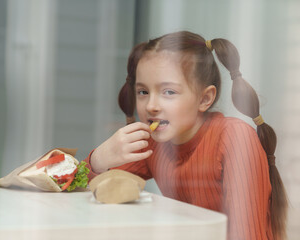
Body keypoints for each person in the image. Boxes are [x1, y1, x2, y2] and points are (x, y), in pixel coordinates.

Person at [84, 31, 288, 240]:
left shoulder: (235, 139)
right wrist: (98, 159)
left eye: (169, 92)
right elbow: (70, 187)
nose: (151, 106)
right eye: (143, 92)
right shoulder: (153, 145)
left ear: (205, 98)